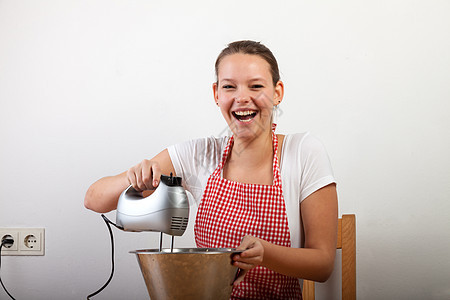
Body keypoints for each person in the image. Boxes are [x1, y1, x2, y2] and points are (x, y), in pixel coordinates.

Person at [85, 40, 338, 299]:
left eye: (256, 86)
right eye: (229, 87)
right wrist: (135, 177)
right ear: (217, 94)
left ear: (277, 92)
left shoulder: (304, 152)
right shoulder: (199, 155)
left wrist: (265, 253)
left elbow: (323, 264)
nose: (242, 98)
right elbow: (93, 199)